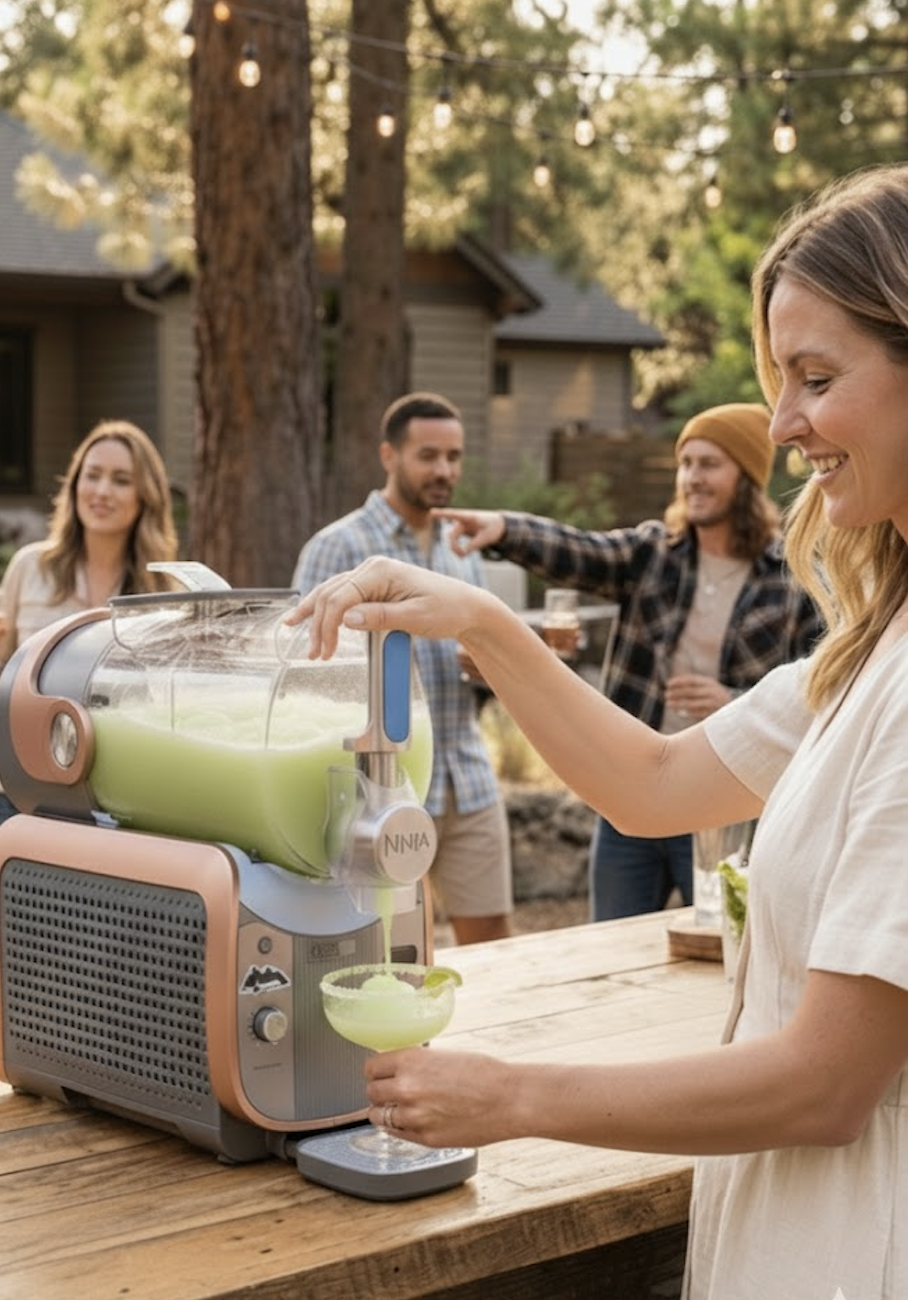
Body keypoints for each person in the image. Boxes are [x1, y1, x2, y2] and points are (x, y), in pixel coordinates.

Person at [287, 163, 908, 1299]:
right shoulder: (869, 645)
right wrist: (476, 619)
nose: (782, 425)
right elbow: (654, 783)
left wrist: (514, 1096)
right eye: (779, 381)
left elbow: (825, 1085)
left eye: (815, 378)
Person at [433, 402, 822, 920]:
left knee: (720, 948)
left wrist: (733, 702)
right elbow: (580, 551)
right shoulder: (653, 553)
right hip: (631, 793)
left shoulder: (791, 577)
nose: (692, 478)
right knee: (609, 942)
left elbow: (817, 687)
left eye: (709, 464)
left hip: (722, 806)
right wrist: (504, 529)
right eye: (686, 464)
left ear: (747, 477)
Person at [0, 419, 180, 1035]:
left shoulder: (164, 588)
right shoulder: (31, 568)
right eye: (92, 475)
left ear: (144, 498)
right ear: (74, 485)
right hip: (20, 796)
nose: (101, 490)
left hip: (121, 804)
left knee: (105, 968)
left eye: (120, 479)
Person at [292, 392, 513, 946]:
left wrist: (489, 667)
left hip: (468, 780)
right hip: (380, 791)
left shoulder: (462, 551)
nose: (444, 471)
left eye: (454, 457)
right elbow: (303, 671)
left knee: (497, 942)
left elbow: (480, 660)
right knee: (393, 947)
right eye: (429, 455)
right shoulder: (337, 546)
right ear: (389, 455)